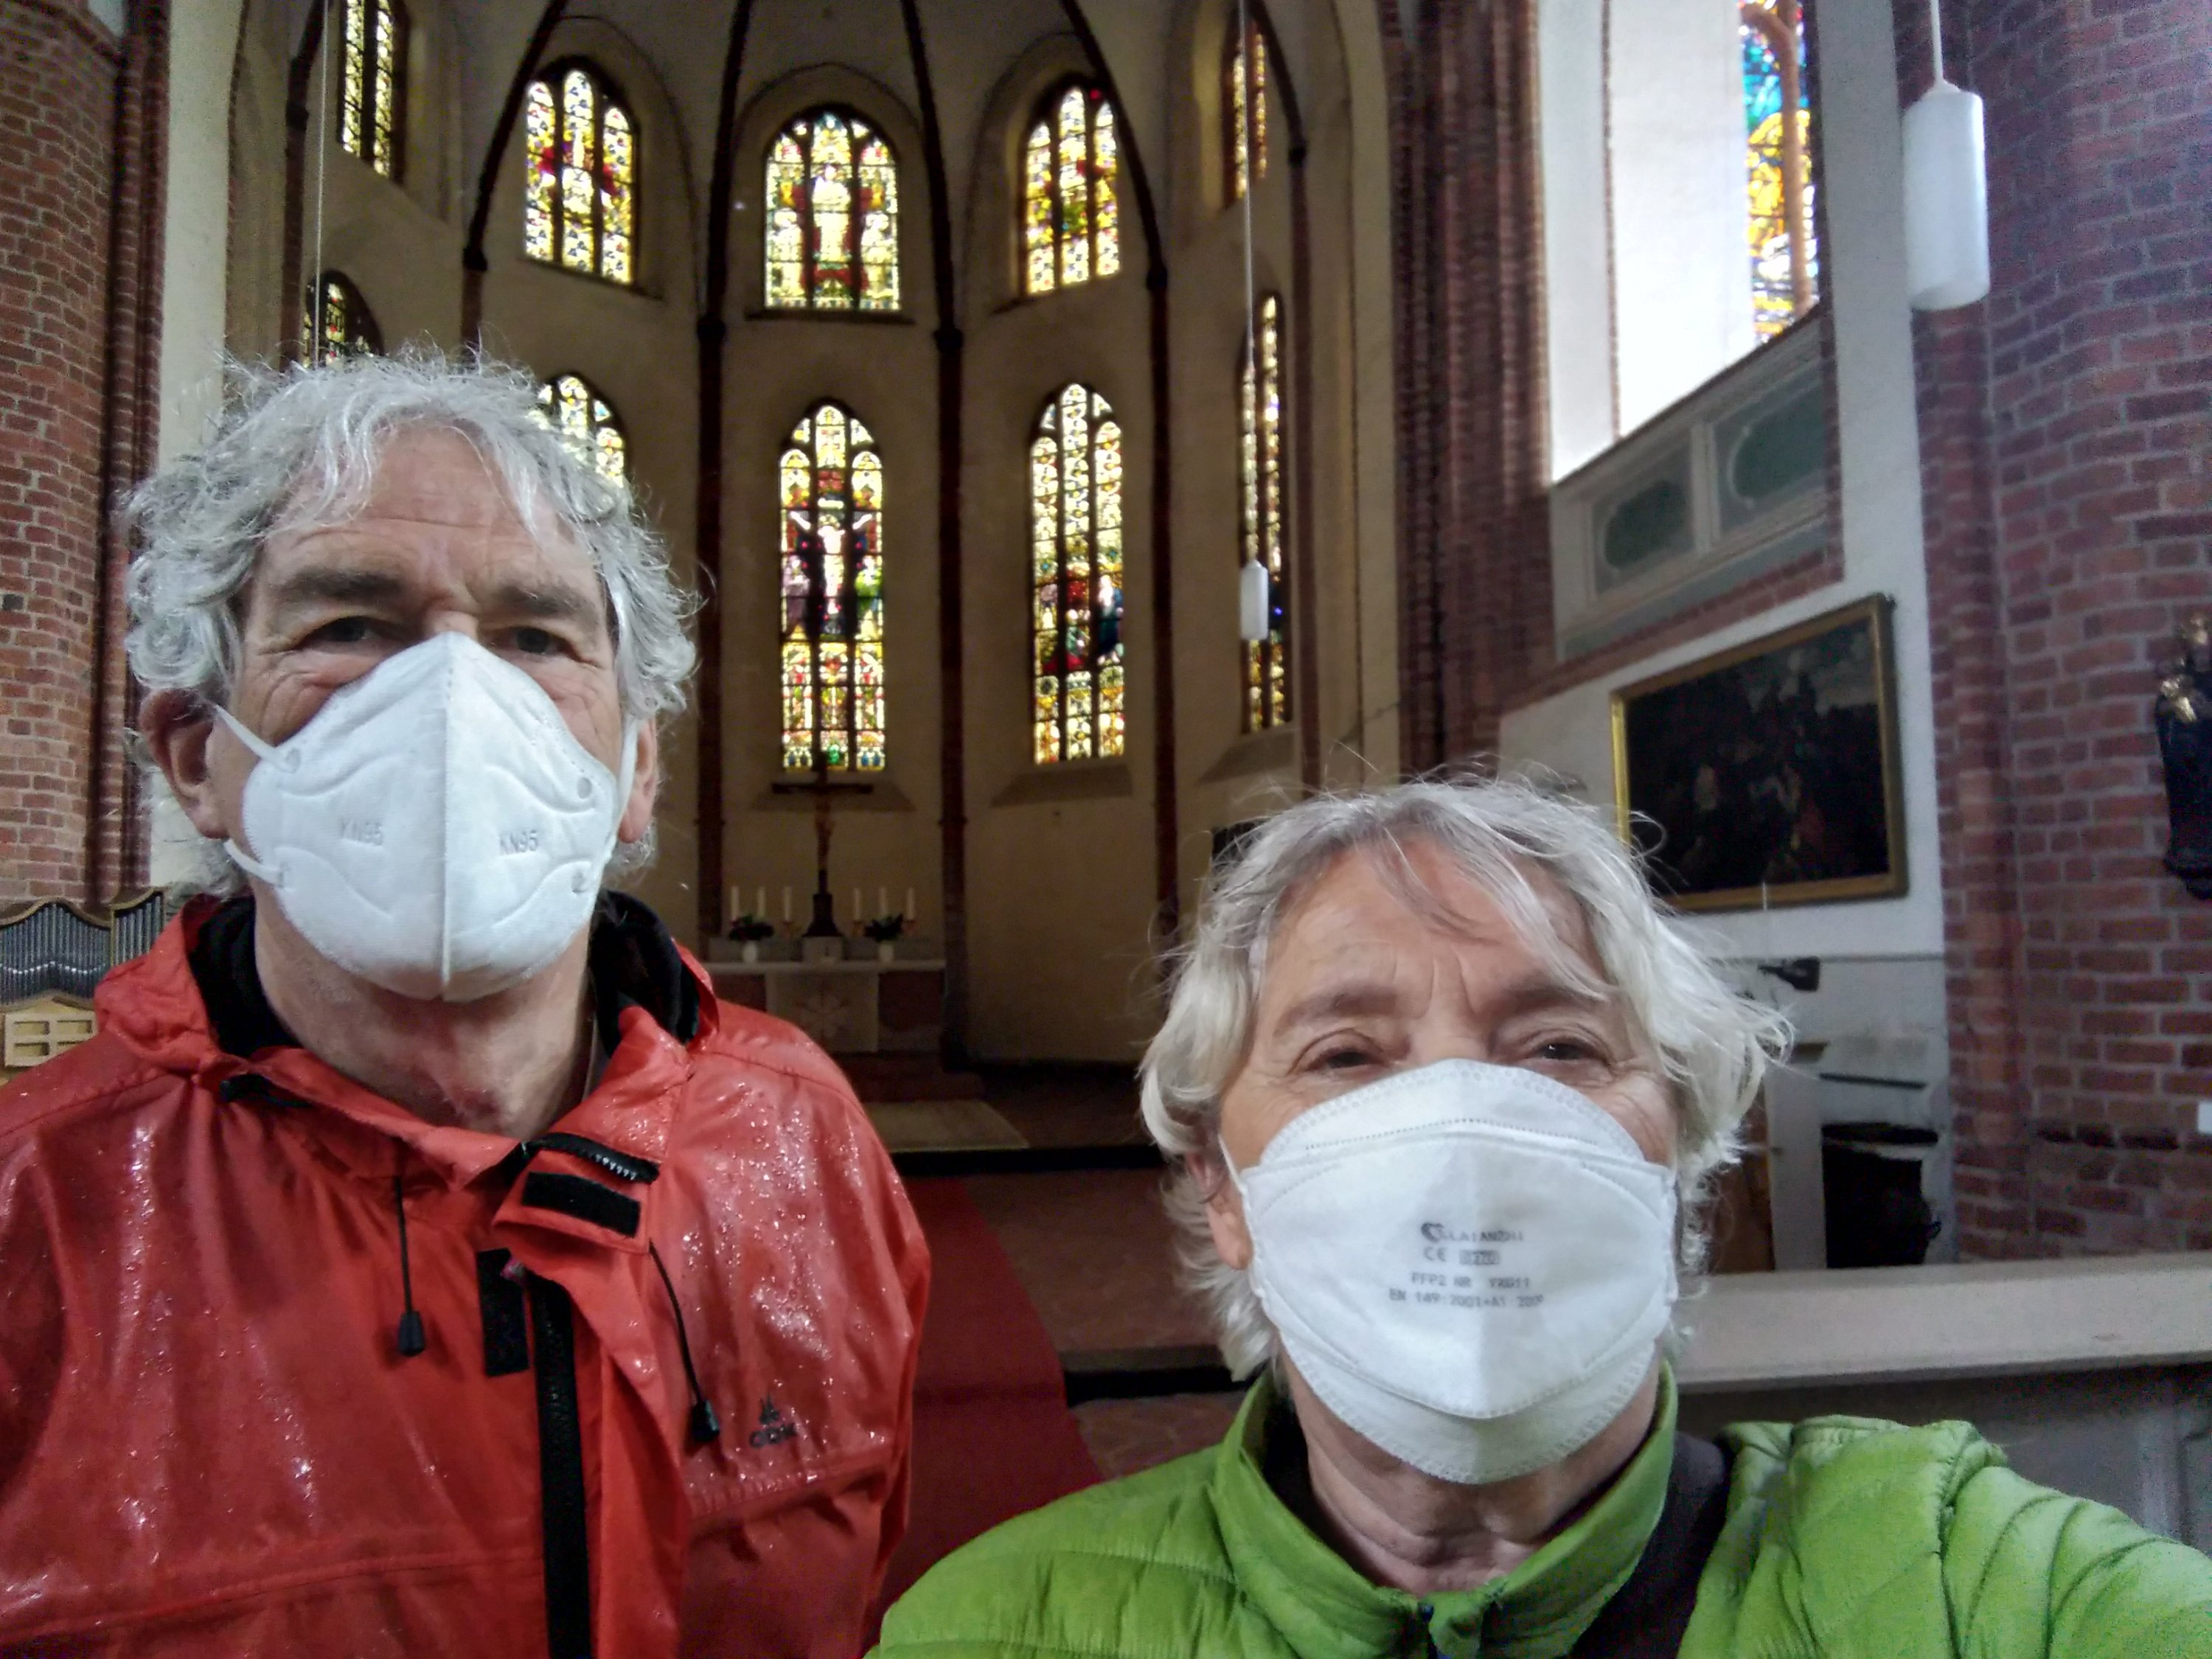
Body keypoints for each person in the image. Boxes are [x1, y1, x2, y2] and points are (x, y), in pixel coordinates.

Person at [0, 355, 928, 1657]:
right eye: (350, 625)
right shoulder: (33, 1212)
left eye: (536, 638)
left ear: (636, 771)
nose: (451, 699)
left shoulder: (805, 1140)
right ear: (197, 754)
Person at [876, 780, 2212, 1658]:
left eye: (1560, 1046)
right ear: (1221, 1186)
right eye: (1347, 1054)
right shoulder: (993, 1629)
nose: (1462, 1124)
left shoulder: (1962, 1577)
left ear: (1679, 1155)